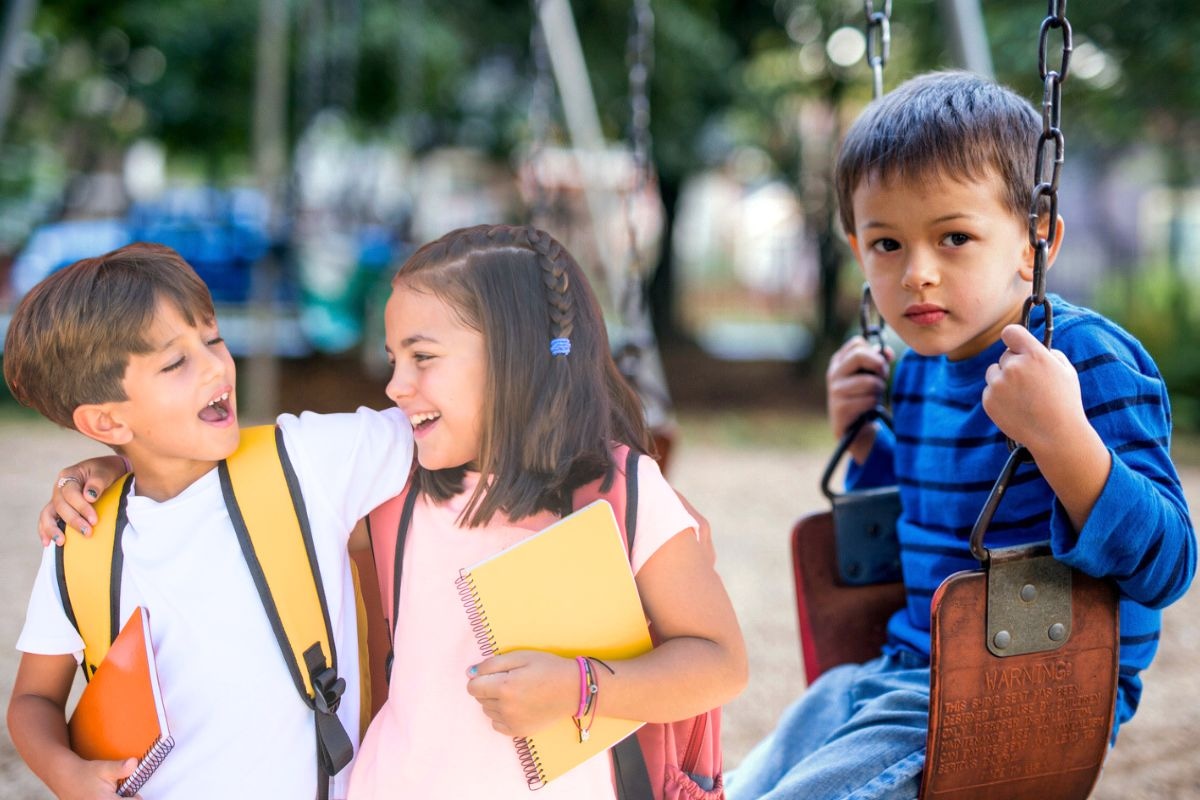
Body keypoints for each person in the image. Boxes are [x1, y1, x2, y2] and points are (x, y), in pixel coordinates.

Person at [37, 225, 747, 799]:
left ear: (518, 356)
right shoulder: (395, 487)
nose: (394, 385)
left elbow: (720, 664)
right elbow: (215, 478)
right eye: (393, 358)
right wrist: (119, 467)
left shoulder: (619, 493)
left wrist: (579, 687)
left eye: (422, 357)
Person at [726, 70, 1197, 800]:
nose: (918, 273)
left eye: (954, 237)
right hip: (904, 669)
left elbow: (1168, 565)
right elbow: (927, 519)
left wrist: (1062, 437)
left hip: (1030, 688)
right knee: (740, 780)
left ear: (1035, 239)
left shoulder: (1082, 360)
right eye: (887, 244)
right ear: (857, 249)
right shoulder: (914, 372)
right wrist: (865, 445)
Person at [5, 243, 414, 800]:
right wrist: (65, 773)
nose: (217, 366)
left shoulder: (306, 461)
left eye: (214, 338)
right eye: (175, 363)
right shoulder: (81, 538)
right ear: (105, 421)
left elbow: (445, 422)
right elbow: (33, 701)